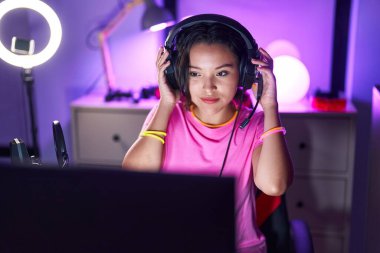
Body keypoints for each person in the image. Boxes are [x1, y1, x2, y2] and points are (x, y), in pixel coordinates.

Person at [122, 14, 293, 253]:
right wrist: (166, 104)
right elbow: (134, 175)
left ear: (245, 74)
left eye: (222, 73)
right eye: (194, 73)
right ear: (177, 74)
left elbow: (274, 185)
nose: (208, 87)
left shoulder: (256, 124)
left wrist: (271, 106)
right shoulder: (167, 115)